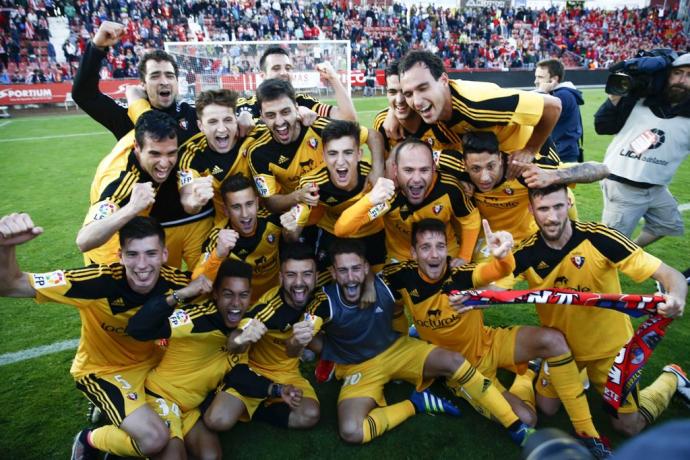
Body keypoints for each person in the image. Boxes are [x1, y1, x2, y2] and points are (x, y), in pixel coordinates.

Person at [381, 218, 608, 456]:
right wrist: (405, 341)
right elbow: (393, 308)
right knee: (528, 419)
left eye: (440, 246)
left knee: (554, 340)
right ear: (413, 252)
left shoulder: (461, 274)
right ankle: (527, 373)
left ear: (448, 249)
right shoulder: (400, 277)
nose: (434, 255)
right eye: (425, 247)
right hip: (466, 373)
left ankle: (587, 433)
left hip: (490, 342)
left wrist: (502, 256)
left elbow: (497, 271)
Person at [0, 213, 191, 459]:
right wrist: (5, 247)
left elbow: (219, 296)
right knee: (154, 440)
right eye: (132, 254)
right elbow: (9, 285)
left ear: (164, 255)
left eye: (151, 253)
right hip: (103, 370)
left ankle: (119, 432)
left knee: (175, 454)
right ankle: (90, 439)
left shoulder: (178, 284)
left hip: (154, 369)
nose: (142, 265)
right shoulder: (95, 282)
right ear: (120, 256)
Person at [512, 184, 688, 439]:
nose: (552, 217)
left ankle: (672, 378)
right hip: (563, 349)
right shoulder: (525, 252)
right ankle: (543, 369)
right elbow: (491, 286)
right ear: (532, 210)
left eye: (559, 206)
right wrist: (493, 263)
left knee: (628, 426)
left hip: (612, 351)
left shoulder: (601, 238)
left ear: (569, 204)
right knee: (547, 408)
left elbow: (671, 276)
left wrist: (676, 297)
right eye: (543, 209)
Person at [291, 238, 469, 444]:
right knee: (351, 431)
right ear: (333, 272)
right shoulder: (323, 301)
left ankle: (512, 421)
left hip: (394, 349)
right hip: (357, 367)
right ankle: (416, 403)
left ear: (366, 267)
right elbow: (306, 336)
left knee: (454, 362)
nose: (350, 277)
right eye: (343, 270)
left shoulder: (383, 283)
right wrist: (329, 351)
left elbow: (414, 287)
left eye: (356, 268)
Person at [125, 259, 301, 459]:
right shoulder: (196, 319)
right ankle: (97, 438)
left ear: (250, 296)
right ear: (216, 294)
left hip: (190, 409)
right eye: (228, 294)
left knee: (211, 457)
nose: (236, 303)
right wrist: (179, 295)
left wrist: (277, 389)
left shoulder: (243, 330)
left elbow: (239, 373)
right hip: (160, 397)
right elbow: (137, 329)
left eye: (243, 295)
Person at [76, 21, 214, 268]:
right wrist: (97, 47)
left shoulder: (194, 114)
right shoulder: (127, 117)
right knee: (164, 296)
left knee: (206, 291)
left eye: (170, 75)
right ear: (143, 84)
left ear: (177, 82)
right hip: (156, 229)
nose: (164, 81)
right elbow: (84, 95)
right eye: (155, 76)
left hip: (201, 221)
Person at [203, 243, 322, 431]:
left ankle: (260, 407)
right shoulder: (268, 309)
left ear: (316, 276)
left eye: (306, 274)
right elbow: (234, 342)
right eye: (291, 275)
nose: (299, 282)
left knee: (310, 414)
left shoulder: (321, 296)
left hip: (287, 374)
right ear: (281, 278)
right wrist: (243, 338)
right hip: (254, 370)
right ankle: (255, 394)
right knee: (217, 420)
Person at [397, 50, 562, 179]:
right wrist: (394, 114)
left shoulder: (477, 103)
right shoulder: (426, 106)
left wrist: (530, 149)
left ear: (444, 80)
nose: (416, 102)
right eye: (409, 94)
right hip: (494, 167)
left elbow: (552, 107)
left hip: (534, 159)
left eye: (423, 88)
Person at [460, 131, 608, 266]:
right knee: (484, 280)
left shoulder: (524, 169)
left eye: (491, 166)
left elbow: (602, 169)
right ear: (464, 165)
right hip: (492, 237)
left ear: (499, 158)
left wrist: (553, 176)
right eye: (476, 169)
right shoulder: (455, 171)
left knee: (561, 194)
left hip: (530, 233)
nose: (484, 177)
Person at [246, 79, 384, 214]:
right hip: (302, 217)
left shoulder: (320, 128)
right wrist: (298, 196)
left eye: (285, 112)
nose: (280, 121)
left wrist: (377, 171)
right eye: (270, 115)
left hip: (340, 207)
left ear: (296, 107)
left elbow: (373, 136)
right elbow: (271, 203)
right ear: (262, 117)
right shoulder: (258, 153)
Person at [595, 53, 690, 247]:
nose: (682, 80)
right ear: (666, 76)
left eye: (689, 76)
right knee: (607, 246)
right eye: (678, 73)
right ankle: (601, 267)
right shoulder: (637, 101)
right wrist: (615, 99)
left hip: (656, 188)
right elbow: (603, 126)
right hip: (623, 186)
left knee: (668, 223)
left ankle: (630, 250)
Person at [335, 137, 480, 265]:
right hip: (401, 261)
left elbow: (470, 219)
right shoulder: (387, 196)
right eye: (409, 170)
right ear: (396, 170)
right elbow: (342, 229)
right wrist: (370, 199)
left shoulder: (450, 188)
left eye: (424, 170)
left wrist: (464, 257)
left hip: (444, 256)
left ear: (433, 169)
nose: (416, 179)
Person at [77, 111, 180, 265]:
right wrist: (132, 207)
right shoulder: (122, 182)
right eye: (155, 154)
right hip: (109, 257)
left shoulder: (144, 130)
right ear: (137, 146)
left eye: (171, 153)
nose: (165, 163)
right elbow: (84, 240)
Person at [286, 120, 387, 272]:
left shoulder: (374, 178)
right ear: (324, 157)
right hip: (332, 235)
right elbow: (292, 235)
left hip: (372, 234)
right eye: (333, 154)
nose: (340, 162)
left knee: (377, 286)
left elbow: (382, 208)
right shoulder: (312, 184)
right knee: (326, 285)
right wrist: (291, 226)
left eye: (348, 152)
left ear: (359, 154)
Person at [193, 173, 299, 303]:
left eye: (249, 204)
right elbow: (197, 281)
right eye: (236, 207)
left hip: (275, 298)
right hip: (239, 306)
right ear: (226, 210)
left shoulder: (272, 219)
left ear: (257, 203)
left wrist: (293, 229)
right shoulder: (218, 238)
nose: (245, 214)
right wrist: (219, 254)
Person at [177, 89, 252, 225]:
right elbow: (187, 198)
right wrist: (194, 201)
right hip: (224, 229)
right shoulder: (191, 153)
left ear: (236, 119)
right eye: (213, 122)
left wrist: (301, 111)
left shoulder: (253, 134)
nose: (222, 129)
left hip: (267, 221)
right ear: (201, 126)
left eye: (228, 120)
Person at [236, 46, 356, 122]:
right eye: (276, 68)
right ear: (263, 76)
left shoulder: (304, 102)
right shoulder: (245, 107)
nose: (284, 73)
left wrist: (334, 78)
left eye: (288, 68)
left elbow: (348, 118)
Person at [534, 59, 584, 163]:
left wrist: (542, 91)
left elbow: (535, 115)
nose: (536, 81)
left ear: (554, 79)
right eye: (536, 77)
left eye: (540, 77)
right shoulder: (560, 93)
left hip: (562, 155)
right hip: (562, 152)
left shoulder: (563, 95)